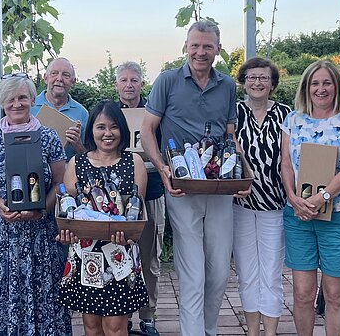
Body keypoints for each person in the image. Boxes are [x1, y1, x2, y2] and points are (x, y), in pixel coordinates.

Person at [140, 19, 249, 336]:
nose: (200, 52)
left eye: (207, 46)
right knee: (192, 274)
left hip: (219, 188)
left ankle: (209, 330)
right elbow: (148, 130)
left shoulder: (227, 85)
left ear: (218, 48)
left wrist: (241, 171)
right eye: (195, 45)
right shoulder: (168, 81)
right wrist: (162, 168)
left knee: (217, 272)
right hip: (182, 189)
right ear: (186, 47)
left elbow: (230, 134)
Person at [0, 73, 71, 335]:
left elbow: (61, 184)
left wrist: (41, 210)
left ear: (32, 99)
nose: (17, 104)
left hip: (40, 238)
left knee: (41, 297)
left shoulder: (48, 138)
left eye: (22, 97)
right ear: (1, 102)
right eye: (10, 99)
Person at [280, 60, 340, 336]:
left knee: (335, 295)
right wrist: (293, 197)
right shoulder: (292, 120)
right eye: (315, 83)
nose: (321, 88)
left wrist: (323, 196)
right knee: (303, 293)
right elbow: (285, 164)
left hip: (338, 215)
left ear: (336, 87)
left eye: (327, 82)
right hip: (299, 215)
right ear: (306, 87)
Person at [58, 100, 149, 336]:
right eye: (101, 127)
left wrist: (128, 233)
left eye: (113, 127)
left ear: (122, 130)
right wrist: (67, 232)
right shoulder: (76, 163)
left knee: (115, 326)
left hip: (119, 252)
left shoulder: (134, 162)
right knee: (91, 326)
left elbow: (136, 211)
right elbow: (68, 211)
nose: (107, 133)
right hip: (87, 252)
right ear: (91, 131)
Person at [233, 57, 290, 336]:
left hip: (275, 205)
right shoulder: (233, 114)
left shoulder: (286, 114)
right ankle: (252, 332)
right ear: (243, 82)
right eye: (251, 77)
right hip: (240, 204)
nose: (257, 83)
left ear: (272, 84)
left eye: (263, 78)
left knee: (271, 274)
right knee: (246, 273)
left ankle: (270, 333)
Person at [115, 61, 164, 336]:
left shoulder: (154, 112)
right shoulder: (109, 114)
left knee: (149, 259)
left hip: (153, 192)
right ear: (116, 85)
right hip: (118, 195)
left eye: (134, 80)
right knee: (119, 255)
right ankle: (124, 315)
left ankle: (148, 316)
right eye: (124, 80)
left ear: (142, 84)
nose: (129, 85)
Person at [31, 57, 89, 158]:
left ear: (73, 82)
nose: (59, 79)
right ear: (45, 78)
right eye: (54, 73)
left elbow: (90, 157)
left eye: (66, 75)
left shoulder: (82, 113)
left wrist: (77, 144)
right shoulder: (29, 106)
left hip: (69, 171)